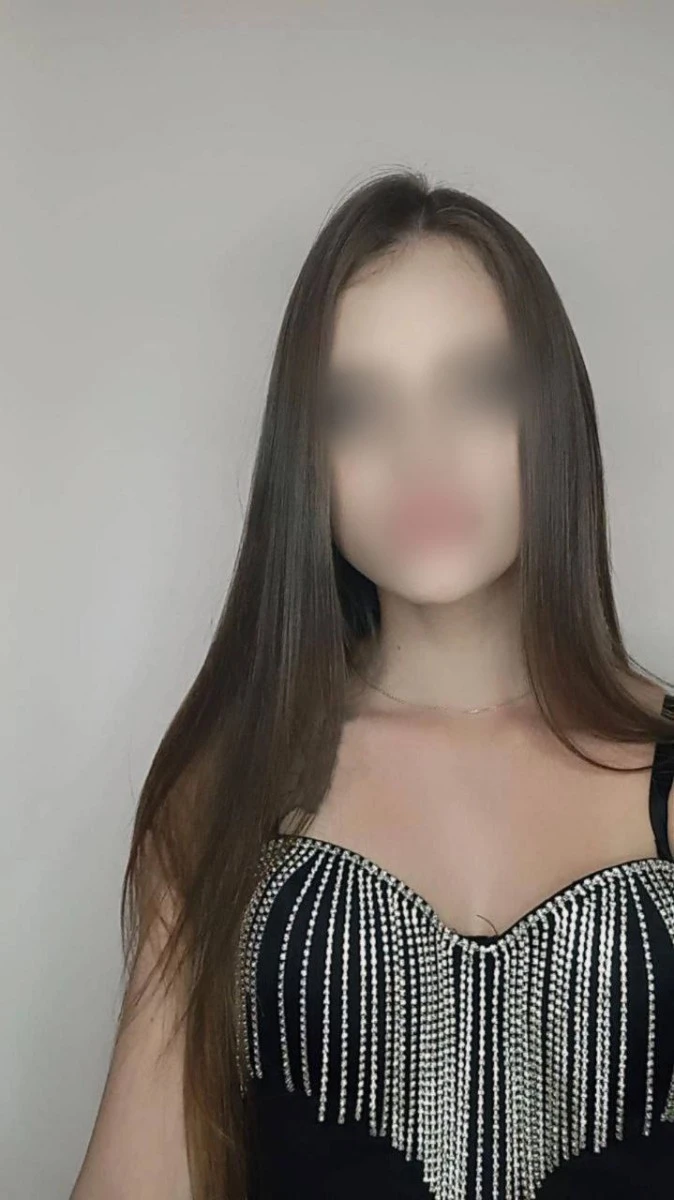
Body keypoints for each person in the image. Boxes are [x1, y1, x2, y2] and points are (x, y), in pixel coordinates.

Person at [70, 169, 674, 1200]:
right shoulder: (224, 790)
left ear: (555, 418)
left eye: (477, 388)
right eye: (356, 408)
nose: (419, 453)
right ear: (304, 457)